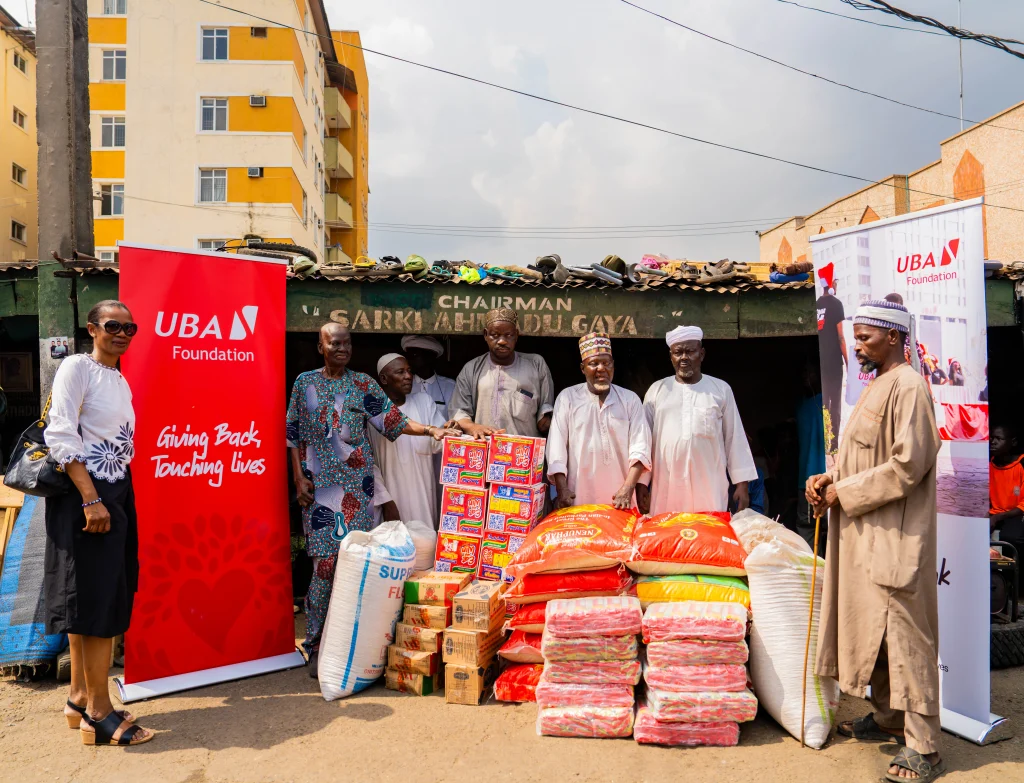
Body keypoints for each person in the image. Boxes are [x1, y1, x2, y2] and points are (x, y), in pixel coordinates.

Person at [806, 299, 943, 782]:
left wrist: (845, 491)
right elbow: (863, 457)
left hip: (897, 536)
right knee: (879, 634)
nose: (857, 345)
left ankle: (924, 747)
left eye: (865, 337)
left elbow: (908, 465)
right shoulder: (876, 385)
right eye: (855, 337)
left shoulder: (909, 387)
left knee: (908, 638)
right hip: (866, 533)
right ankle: (887, 717)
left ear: (893, 337)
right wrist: (828, 479)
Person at [286, 324, 450, 677]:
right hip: (320, 490)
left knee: (358, 566)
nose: (341, 348)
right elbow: (293, 433)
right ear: (321, 346)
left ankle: (350, 646)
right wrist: (298, 476)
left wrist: (431, 429)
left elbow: (393, 419)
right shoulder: (304, 383)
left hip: (358, 490)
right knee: (324, 567)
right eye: (334, 343)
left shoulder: (362, 384)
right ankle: (314, 644)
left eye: (346, 343)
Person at [44, 300, 152, 746]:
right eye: (113, 325)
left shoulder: (118, 377)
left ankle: (78, 697)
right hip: (88, 495)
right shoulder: (77, 367)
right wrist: (91, 498)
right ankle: (99, 712)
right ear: (92, 328)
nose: (123, 333)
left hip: (114, 490)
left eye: (131, 327)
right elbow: (60, 432)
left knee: (93, 595)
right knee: (97, 602)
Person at [641, 325, 757, 516]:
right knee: (668, 536)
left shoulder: (720, 389)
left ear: (701, 354)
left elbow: (734, 438)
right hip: (667, 487)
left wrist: (742, 485)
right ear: (671, 357)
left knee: (708, 536)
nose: (684, 358)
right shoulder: (657, 390)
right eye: (678, 352)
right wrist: (642, 484)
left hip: (709, 486)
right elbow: (643, 442)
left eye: (690, 351)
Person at [546, 332, 651, 509]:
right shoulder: (567, 398)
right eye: (593, 363)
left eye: (606, 363)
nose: (601, 368)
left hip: (620, 500)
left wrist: (628, 488)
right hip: (578, 496)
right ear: (582, 368)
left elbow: (641, 449)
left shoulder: (630, 399)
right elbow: (556, 449)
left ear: (613, 366)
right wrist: (562, 489)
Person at [369, 353, 459, 530]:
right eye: (400, 372)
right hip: (391, 498)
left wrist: (451, 430)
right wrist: (386, 501)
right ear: (384, 379)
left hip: (423, 495)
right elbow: (369, 464)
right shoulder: (375, 415)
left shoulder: (423, 401)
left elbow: (438, 442)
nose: (408, 376)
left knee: (425, 542)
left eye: (409, 371)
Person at [449, 308, 554, 438]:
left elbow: (545, 413)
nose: (502, 341)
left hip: (523, 453)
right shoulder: (472, 368)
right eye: (495, 335)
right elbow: (459, 412)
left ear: (516, 335)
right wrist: (473, 427)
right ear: (485, 335)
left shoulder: (536, 364)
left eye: (508, 335)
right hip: (483, 451)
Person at [795, 360, 827, 552]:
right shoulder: (800, 406)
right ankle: (811, 575)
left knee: (830, 527)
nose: (807, 379)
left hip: (829, 477)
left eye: (811, 374)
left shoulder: (830, 401)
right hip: (805, 481)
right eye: (804, 374)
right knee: (807, 526)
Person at [816, 269, 846, 455]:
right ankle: (833, 446)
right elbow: (841, 337)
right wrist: (849, 362)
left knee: (823, 404)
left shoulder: (816, 304)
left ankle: (823, 442)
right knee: (835, 404)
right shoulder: (836, 304)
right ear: (831, 283)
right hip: (834, 362)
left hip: (820, 362)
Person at [401, 335, 456, 416]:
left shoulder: (449, 386)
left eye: (414, 355)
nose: (409, 360)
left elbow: (456, 417)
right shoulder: (403, 384)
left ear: (429, 357)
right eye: (408, 356)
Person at [990, 424, 1024, 548]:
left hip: (1015, 515)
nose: (993, 442)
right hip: (993, 514)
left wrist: (999, 517)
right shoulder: (988, 464)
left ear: (1013, 442)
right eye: (992, 438)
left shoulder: (1021, 464)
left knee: (1011, 538)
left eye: (999, 439)